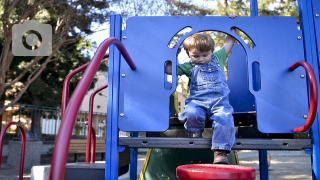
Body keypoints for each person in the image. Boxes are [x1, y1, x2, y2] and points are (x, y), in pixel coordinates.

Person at [165, 17, 237, 165]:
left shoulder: (218, 57)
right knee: (190, 112)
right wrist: (173, 54)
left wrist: (232, 26)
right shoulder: (189, 66)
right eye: (195, 56)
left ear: (212, 51)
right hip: (198, 101)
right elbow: (169, 69)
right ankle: (195, 132)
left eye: (205, 55)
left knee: (225, 119)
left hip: (219, 102)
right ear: (188, 54)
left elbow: (230, 42)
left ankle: (220, 152)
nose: (201, 59)